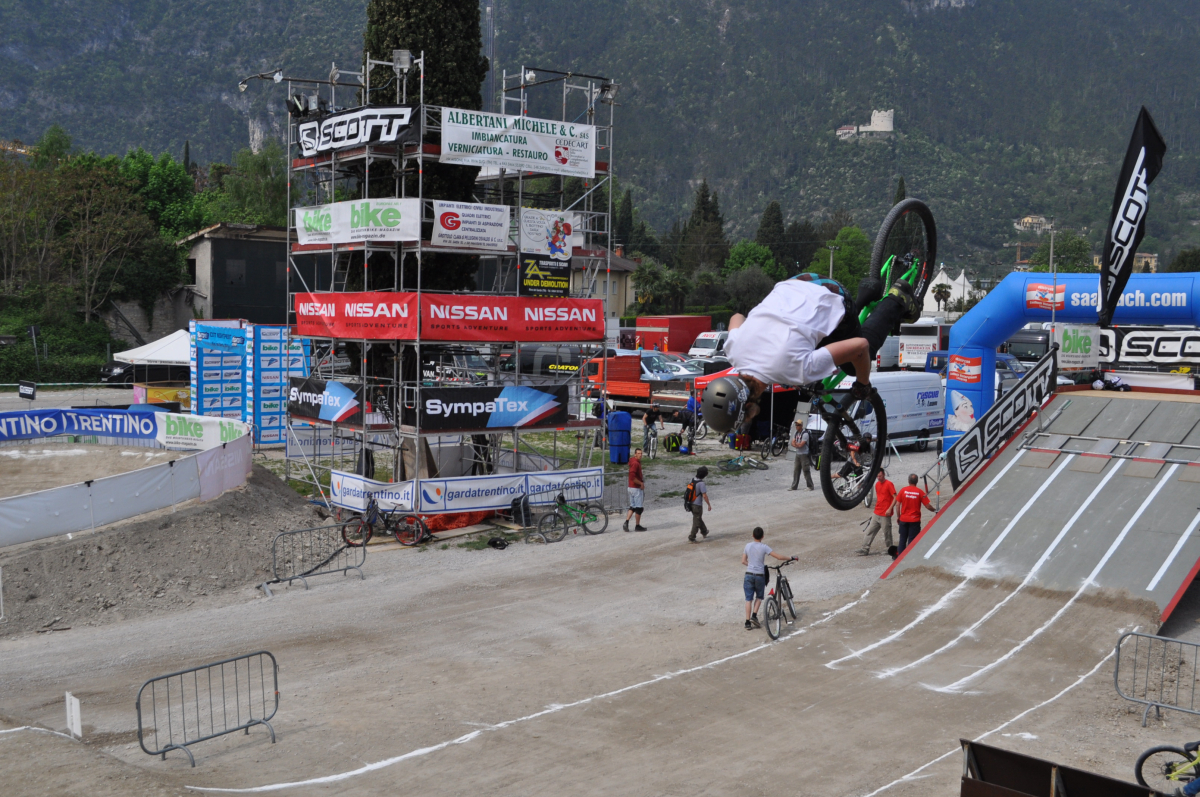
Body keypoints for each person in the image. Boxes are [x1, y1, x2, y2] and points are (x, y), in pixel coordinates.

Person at [701, 272, 920, 436]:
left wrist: (863, 384)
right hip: (797, 282)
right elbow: (737, 317)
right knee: (811, 339)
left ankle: (897, 298)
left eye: (745, 419)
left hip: (833, 292)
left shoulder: (797, 371)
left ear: (749, 406)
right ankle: (866, 293)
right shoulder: (733, 349)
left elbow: (860, 347)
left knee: (855, 363)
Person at [742, 526, 798, 630]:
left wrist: (751, 565)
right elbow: (779, 557)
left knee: (748, 599)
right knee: (759, 597)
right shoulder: (764, 547)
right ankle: (754, 616)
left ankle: (747, 622)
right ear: (762, 536)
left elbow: (743, 561)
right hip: (759, 575)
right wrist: (791, 557)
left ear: (753, 535)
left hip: (749, 574)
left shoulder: (747, 546)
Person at [857, 469, 897, 556]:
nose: (878, 478)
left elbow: (895, 497)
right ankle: (865, 549)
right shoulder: (877, 484)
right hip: (877, 512)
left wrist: (889, 509)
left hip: (885, 514)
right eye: (877, 476)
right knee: (870, 531)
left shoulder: (889, 484)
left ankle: (890, 549)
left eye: (880, 476)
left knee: (887, 533)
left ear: (884, 475)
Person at [896, 473, 934, 555]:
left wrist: (899, 517)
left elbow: (897, 504)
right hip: (914, 520)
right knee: (912, 541)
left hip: (903, 519)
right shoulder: (920, 492)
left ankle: (900, 558)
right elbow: (928, 506)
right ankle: (909, 557)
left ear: (908, 481)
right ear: (916, 481)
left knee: (902, 539)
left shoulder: (903, 490)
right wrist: (935, 511)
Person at [624, 448, 647, 532]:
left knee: (632, 506)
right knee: (639, 508)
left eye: (641, 453)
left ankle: (626, 522)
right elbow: (632, 477)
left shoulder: (633, 461)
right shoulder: (635, 464)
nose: (640, 455)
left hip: (630, 487)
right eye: (638, 453)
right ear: (635, 454)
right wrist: (640, 483)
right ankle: (637, 525)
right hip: (636, 488)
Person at [687, 465, 711, 543]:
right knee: (696, 521)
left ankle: (704, 531)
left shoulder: (692, 479)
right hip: (697, 505)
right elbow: (704, 495)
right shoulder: (701, 483)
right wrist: (709, 505)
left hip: (690, 503)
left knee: (698, 518)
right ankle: (692, 537)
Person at [789, 418, 813, 491]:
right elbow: (792, 443)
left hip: (804, 454)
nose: (797, 426)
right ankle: (794, 486)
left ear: (801, 426)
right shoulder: (796, 433)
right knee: (796, 470)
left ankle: (810, 486)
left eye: (798, 425)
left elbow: (801, 445)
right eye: (796, 425)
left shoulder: (805, 434)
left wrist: (796, 444)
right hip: (798, 454)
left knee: (806, 470)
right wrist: (796, 444)